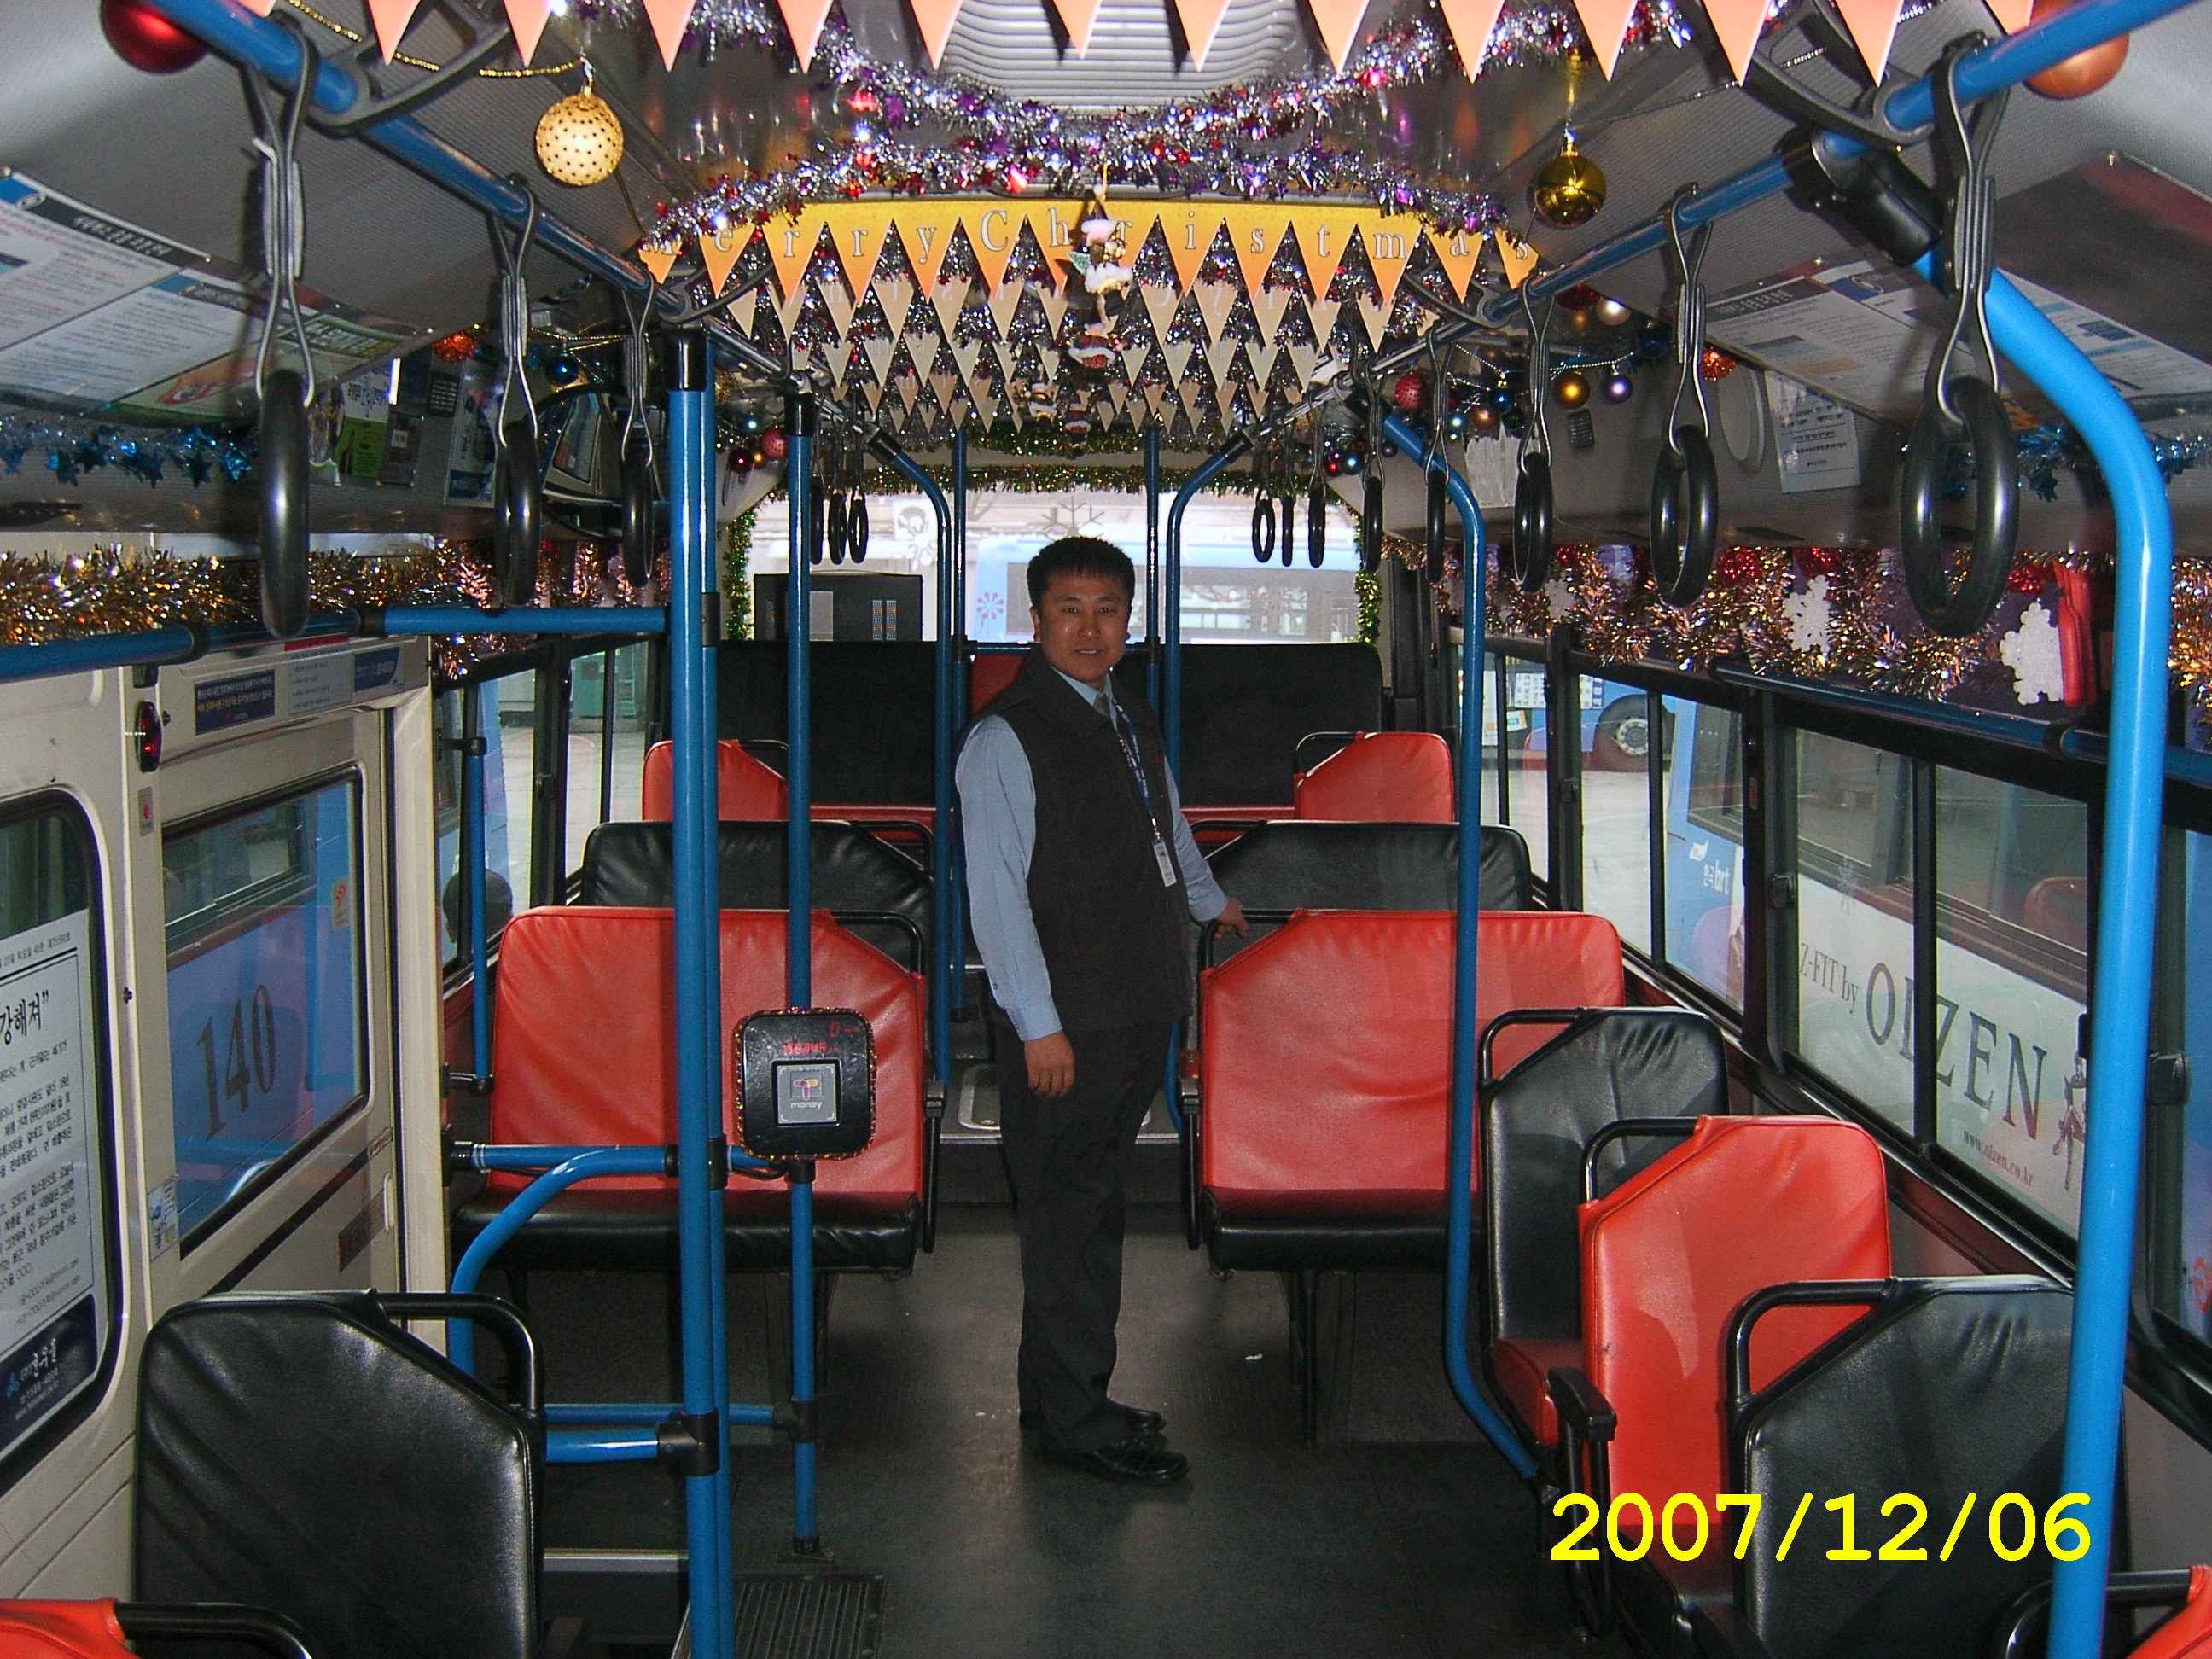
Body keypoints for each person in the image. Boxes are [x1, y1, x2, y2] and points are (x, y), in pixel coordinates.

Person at [958, 536, 1246, 1486]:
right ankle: (1081, 1422)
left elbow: (1170, 825)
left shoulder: (1127, 715)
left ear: (1129, 620)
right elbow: (997, 897)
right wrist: (1036, 1023)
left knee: (1082, 1205)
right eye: (1069, 609)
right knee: (1072, 1217)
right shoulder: (1006, 738)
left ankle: (1056, 1397)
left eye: (1108, 609)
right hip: (1068, 1019)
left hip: (1133, 999)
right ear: (1034, 620)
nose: (1090, 628)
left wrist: (1209, 902)